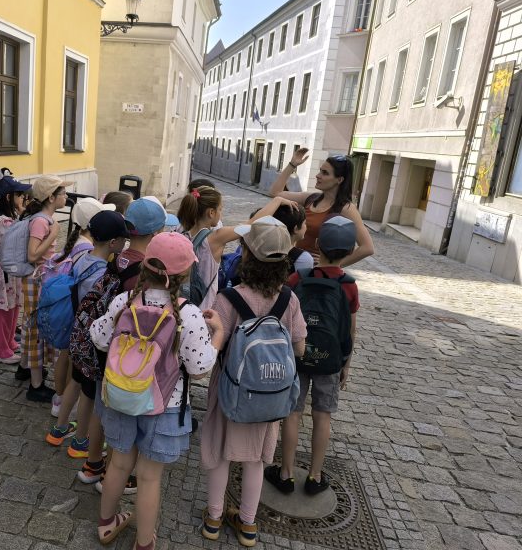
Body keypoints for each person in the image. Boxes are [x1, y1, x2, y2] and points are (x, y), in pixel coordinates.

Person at [90, 232, 223, 550]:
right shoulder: (188, 313)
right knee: (149, 477)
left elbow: (98, 336)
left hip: (121, 396)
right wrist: (217, 332)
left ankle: (106, 525)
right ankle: (144, 543)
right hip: (165, 404)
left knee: (119, 464)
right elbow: (199, 367)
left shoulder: (125, 301)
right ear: (184, 274)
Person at [200, 217, 306, 547]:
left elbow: (211, 341)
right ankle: (247, 524)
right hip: (268, 395)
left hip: (230, 389)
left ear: (245, 255)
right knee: (257, 460)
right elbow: (299, 346)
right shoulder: (289, 300)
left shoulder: (229, 299)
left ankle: (214, 518)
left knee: (220, 453)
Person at [75, 197, 178, 495]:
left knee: (99, 406)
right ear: (158, 232)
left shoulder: (118, 256)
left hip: (102, 342)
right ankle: (116, 471)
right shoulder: (142, 269)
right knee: (121, 412)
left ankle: (92, 464)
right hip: (126, 355)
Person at [265, 216, 360, 496]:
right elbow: (351, 329)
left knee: (292, 413)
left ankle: (286, 472)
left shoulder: (300, 277)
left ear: (318, 245)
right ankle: (316, 476)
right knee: (323, 415)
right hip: (330, 359)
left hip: (297, 354)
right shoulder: (349, 285)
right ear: (351, 249)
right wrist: (346, 363)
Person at [45, 210, 129, 456]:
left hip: (76, 331)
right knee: (90, 393)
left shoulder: (82, 257)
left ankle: (58, 429)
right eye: (123, 240)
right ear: (114, 243)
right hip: (92, 338)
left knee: (76, 381)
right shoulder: (104, 272)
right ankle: (81, 441)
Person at [49, 197, 114, 416]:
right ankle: (67, 406)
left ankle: (59, 400)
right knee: (76, 371)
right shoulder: (97, 263)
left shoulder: (83, 253)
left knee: (66, 358)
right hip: (85, 325)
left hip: (73, 319)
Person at [15, 175, 72, 402]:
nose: (66, 197)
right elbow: (32, 255)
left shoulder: (44, 219)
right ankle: (35, 385)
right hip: (36, 281)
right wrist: (54, 235)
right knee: (36, 328)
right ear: (51, 197)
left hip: (41, 279)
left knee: (34, 325)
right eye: (63, 194)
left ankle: (25, 369)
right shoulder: (42, 221)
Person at [267, 150, 374, 266]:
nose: (318, 176)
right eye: (320, 171)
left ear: (339, 180)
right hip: (294, 263)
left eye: (325, 173)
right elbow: (275, 193)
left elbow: (367, 248)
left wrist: (332, 265)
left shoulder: (346, 208)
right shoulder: (310, 198)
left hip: (314, 272)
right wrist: (292, 165)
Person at [0, 168, 32, 364]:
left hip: (12, 273)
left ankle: (8, 341)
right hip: (3, 274)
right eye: (20, 195)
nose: (23, 198)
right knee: (1, 310)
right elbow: (18, 243)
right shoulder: (3, 221)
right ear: (9, 197)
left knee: (13, 307)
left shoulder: (12, 218)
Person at [271, 203, 314, 272]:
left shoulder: (264, 246)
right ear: (296, 229)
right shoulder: (303, 258)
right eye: (305, 223)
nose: (306, 226)